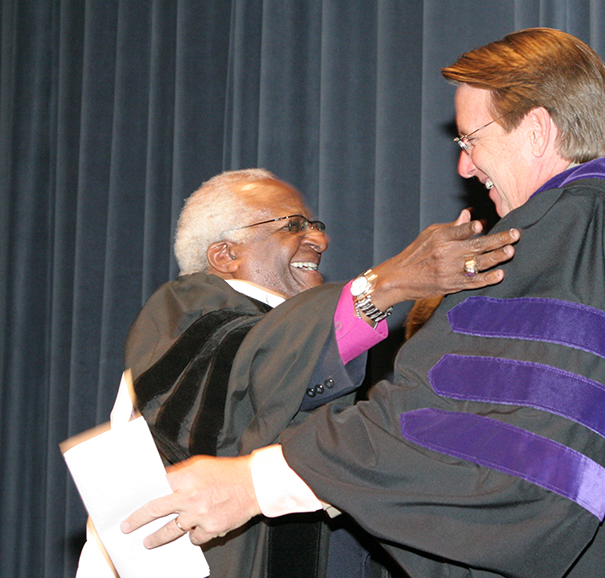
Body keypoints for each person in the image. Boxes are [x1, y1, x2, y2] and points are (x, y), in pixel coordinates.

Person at [124, 29, 605, 577]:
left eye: (471, 139)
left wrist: (253, 479)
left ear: (539, 129)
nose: (462, 164)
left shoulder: (584, 221)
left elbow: (504, 446)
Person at [78, 168, 519, 578]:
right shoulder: (187, 314)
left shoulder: (309, 337)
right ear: (225, 254)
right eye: (293, 225)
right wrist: (387, 285)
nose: (319, 241)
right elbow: (254, 370)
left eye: (317, 226)